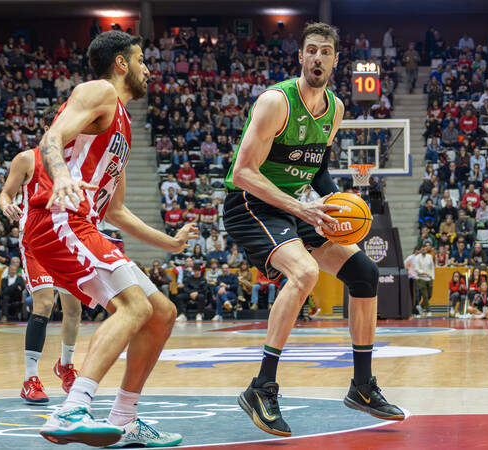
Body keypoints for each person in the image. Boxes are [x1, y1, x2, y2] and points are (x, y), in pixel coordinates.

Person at [222, 23, 403, 437]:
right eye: (311, 51)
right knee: (303, 274)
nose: (317, 58)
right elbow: (243, 172)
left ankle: (361, 386)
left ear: (336, 60)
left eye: (325, 51)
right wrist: (301, 209)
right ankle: (261, 387)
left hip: (297, 206)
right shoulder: (275, 102)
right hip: (251, 203)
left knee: (365, 273)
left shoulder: (335, 109)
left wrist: (337, 203)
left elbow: (317, 167)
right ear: (300, 57)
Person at [25, 31, 199, 447]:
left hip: (84, 222)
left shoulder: (122, 122)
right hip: (58, 217)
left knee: (161, 313)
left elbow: (116, 210)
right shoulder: (98, 91)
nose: (147, 68)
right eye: (141, 60)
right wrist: (63, 176)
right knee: (133, 306)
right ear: (121, 63)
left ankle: (125, 417)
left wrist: (169, 243)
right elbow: (51, 138)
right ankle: (71, 410)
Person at [0, 105, 85, 404]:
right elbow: (5, 193)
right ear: (49, 126)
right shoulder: (26, 158)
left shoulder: (77, 161)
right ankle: (30, 378)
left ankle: (65, 366)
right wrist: (5, 204)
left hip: (66, 240)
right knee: (45, 304)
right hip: (35, 241)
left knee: (74, 309)